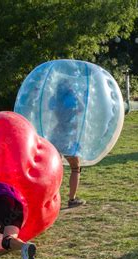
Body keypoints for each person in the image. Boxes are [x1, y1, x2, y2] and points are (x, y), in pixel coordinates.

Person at [49, 79, 86, 208]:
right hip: (68, 136)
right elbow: (81, 108)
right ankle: (72, 199)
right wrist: (75, 94)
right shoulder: (71, 98)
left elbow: (50, 109)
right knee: (75, 168)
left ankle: (49, 198)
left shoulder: (55, 98)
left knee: (54, 170)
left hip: (56, 135)